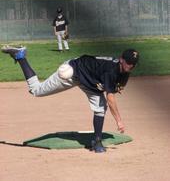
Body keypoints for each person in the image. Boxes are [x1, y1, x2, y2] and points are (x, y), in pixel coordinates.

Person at [1, 45, 139, 153]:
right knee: (36, 91)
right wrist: (119, 121)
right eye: (128, 63)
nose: (131, 66)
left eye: (133, 64)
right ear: (121, 59)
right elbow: (110, 98)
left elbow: (118, 85)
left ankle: (97, 141)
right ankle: (20, 56)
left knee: (100, 108)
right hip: (73, 72)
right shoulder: (111, 70)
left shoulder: (125, 71)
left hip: (90, 83)